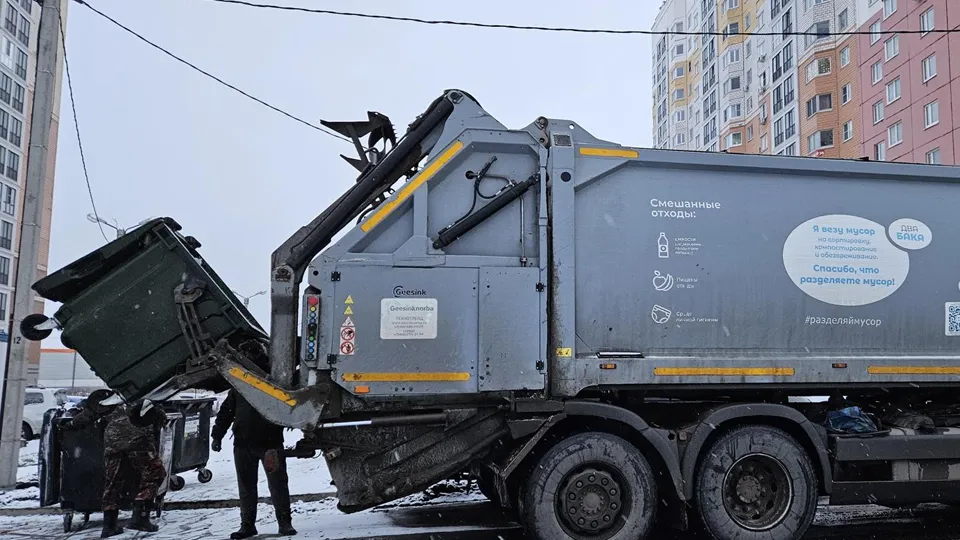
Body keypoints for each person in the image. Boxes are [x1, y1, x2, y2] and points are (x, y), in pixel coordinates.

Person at [62, 389, 167, 538]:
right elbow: (159, 418)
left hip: (113, 441)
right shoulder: (148, 393)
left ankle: (109, 526)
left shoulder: (112, 396)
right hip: (138, 440)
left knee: (113, 483)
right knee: (155, 473)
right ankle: (140, 517)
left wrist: (69, 424)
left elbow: (90, 414)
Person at [212, 387, 296, 538]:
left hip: (271, 444)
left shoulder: (273, 384)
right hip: (243, 444)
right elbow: (226, 412)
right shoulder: (239, 387)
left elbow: (290, 406)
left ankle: (285, 523)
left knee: (278, 484)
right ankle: (247, 525)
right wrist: (217, 436)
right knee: (246, 487)